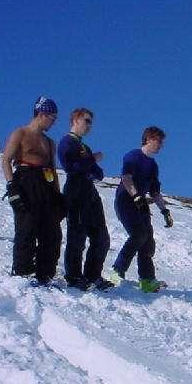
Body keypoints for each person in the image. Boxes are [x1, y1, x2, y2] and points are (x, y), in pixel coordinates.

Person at [2, 96, 64, 285]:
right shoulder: (20, 133)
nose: (53, 122)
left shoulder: (49, 142)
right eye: (51, 118)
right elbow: (6, 160)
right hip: (26, 180)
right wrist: (12, 186)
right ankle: (23, 270)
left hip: (45, 183)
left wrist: (57, 195)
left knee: (52, 231)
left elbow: (52, 169)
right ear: (41, 114)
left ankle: (45, 272)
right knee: (27, 227)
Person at [111, 126, 173, 292]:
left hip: (141, 205)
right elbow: (126, 178)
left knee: (148, 242)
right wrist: (136, 196)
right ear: (148, 139)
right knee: (138, 235)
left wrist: (165, 211)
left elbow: (155, 192)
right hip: (125, 201)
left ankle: (146, 280)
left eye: (162, 142)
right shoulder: (133, 156)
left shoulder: (153, 165)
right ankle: (117, 270)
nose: (160, 145)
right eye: (158, 141)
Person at [57, 108, 112, 291]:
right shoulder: (66, 142)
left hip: (90, 193)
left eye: (91, 122)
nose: (89, 126)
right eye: (86, 121)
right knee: (77, 236)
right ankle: (73, 276)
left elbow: (99, 174)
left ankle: (93, 275)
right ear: (75, 120)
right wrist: (92, 160)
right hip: (76, 192)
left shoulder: (84, 147)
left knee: (101, 237)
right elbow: (71, 167)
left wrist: (89, 162)